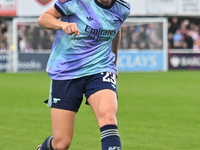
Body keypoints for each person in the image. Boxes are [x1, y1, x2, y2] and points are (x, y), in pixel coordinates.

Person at [37, 0, 130, 150]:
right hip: (67, 71)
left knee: (108, 117)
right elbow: (43, 18)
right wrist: (63, 25)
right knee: (61, 144)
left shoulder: (123, 7)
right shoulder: (76, 1)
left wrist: (114, 61)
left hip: (100, 68)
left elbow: (115, 28)